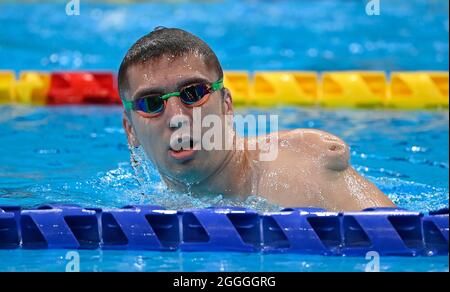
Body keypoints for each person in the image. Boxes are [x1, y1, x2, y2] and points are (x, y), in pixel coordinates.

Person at [118, 27, 395, 211]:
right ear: (130, 130)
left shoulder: (300, 175)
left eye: (193, 93)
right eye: (151, 103)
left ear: (226, 105)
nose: (177, 117)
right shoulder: (143, 209)